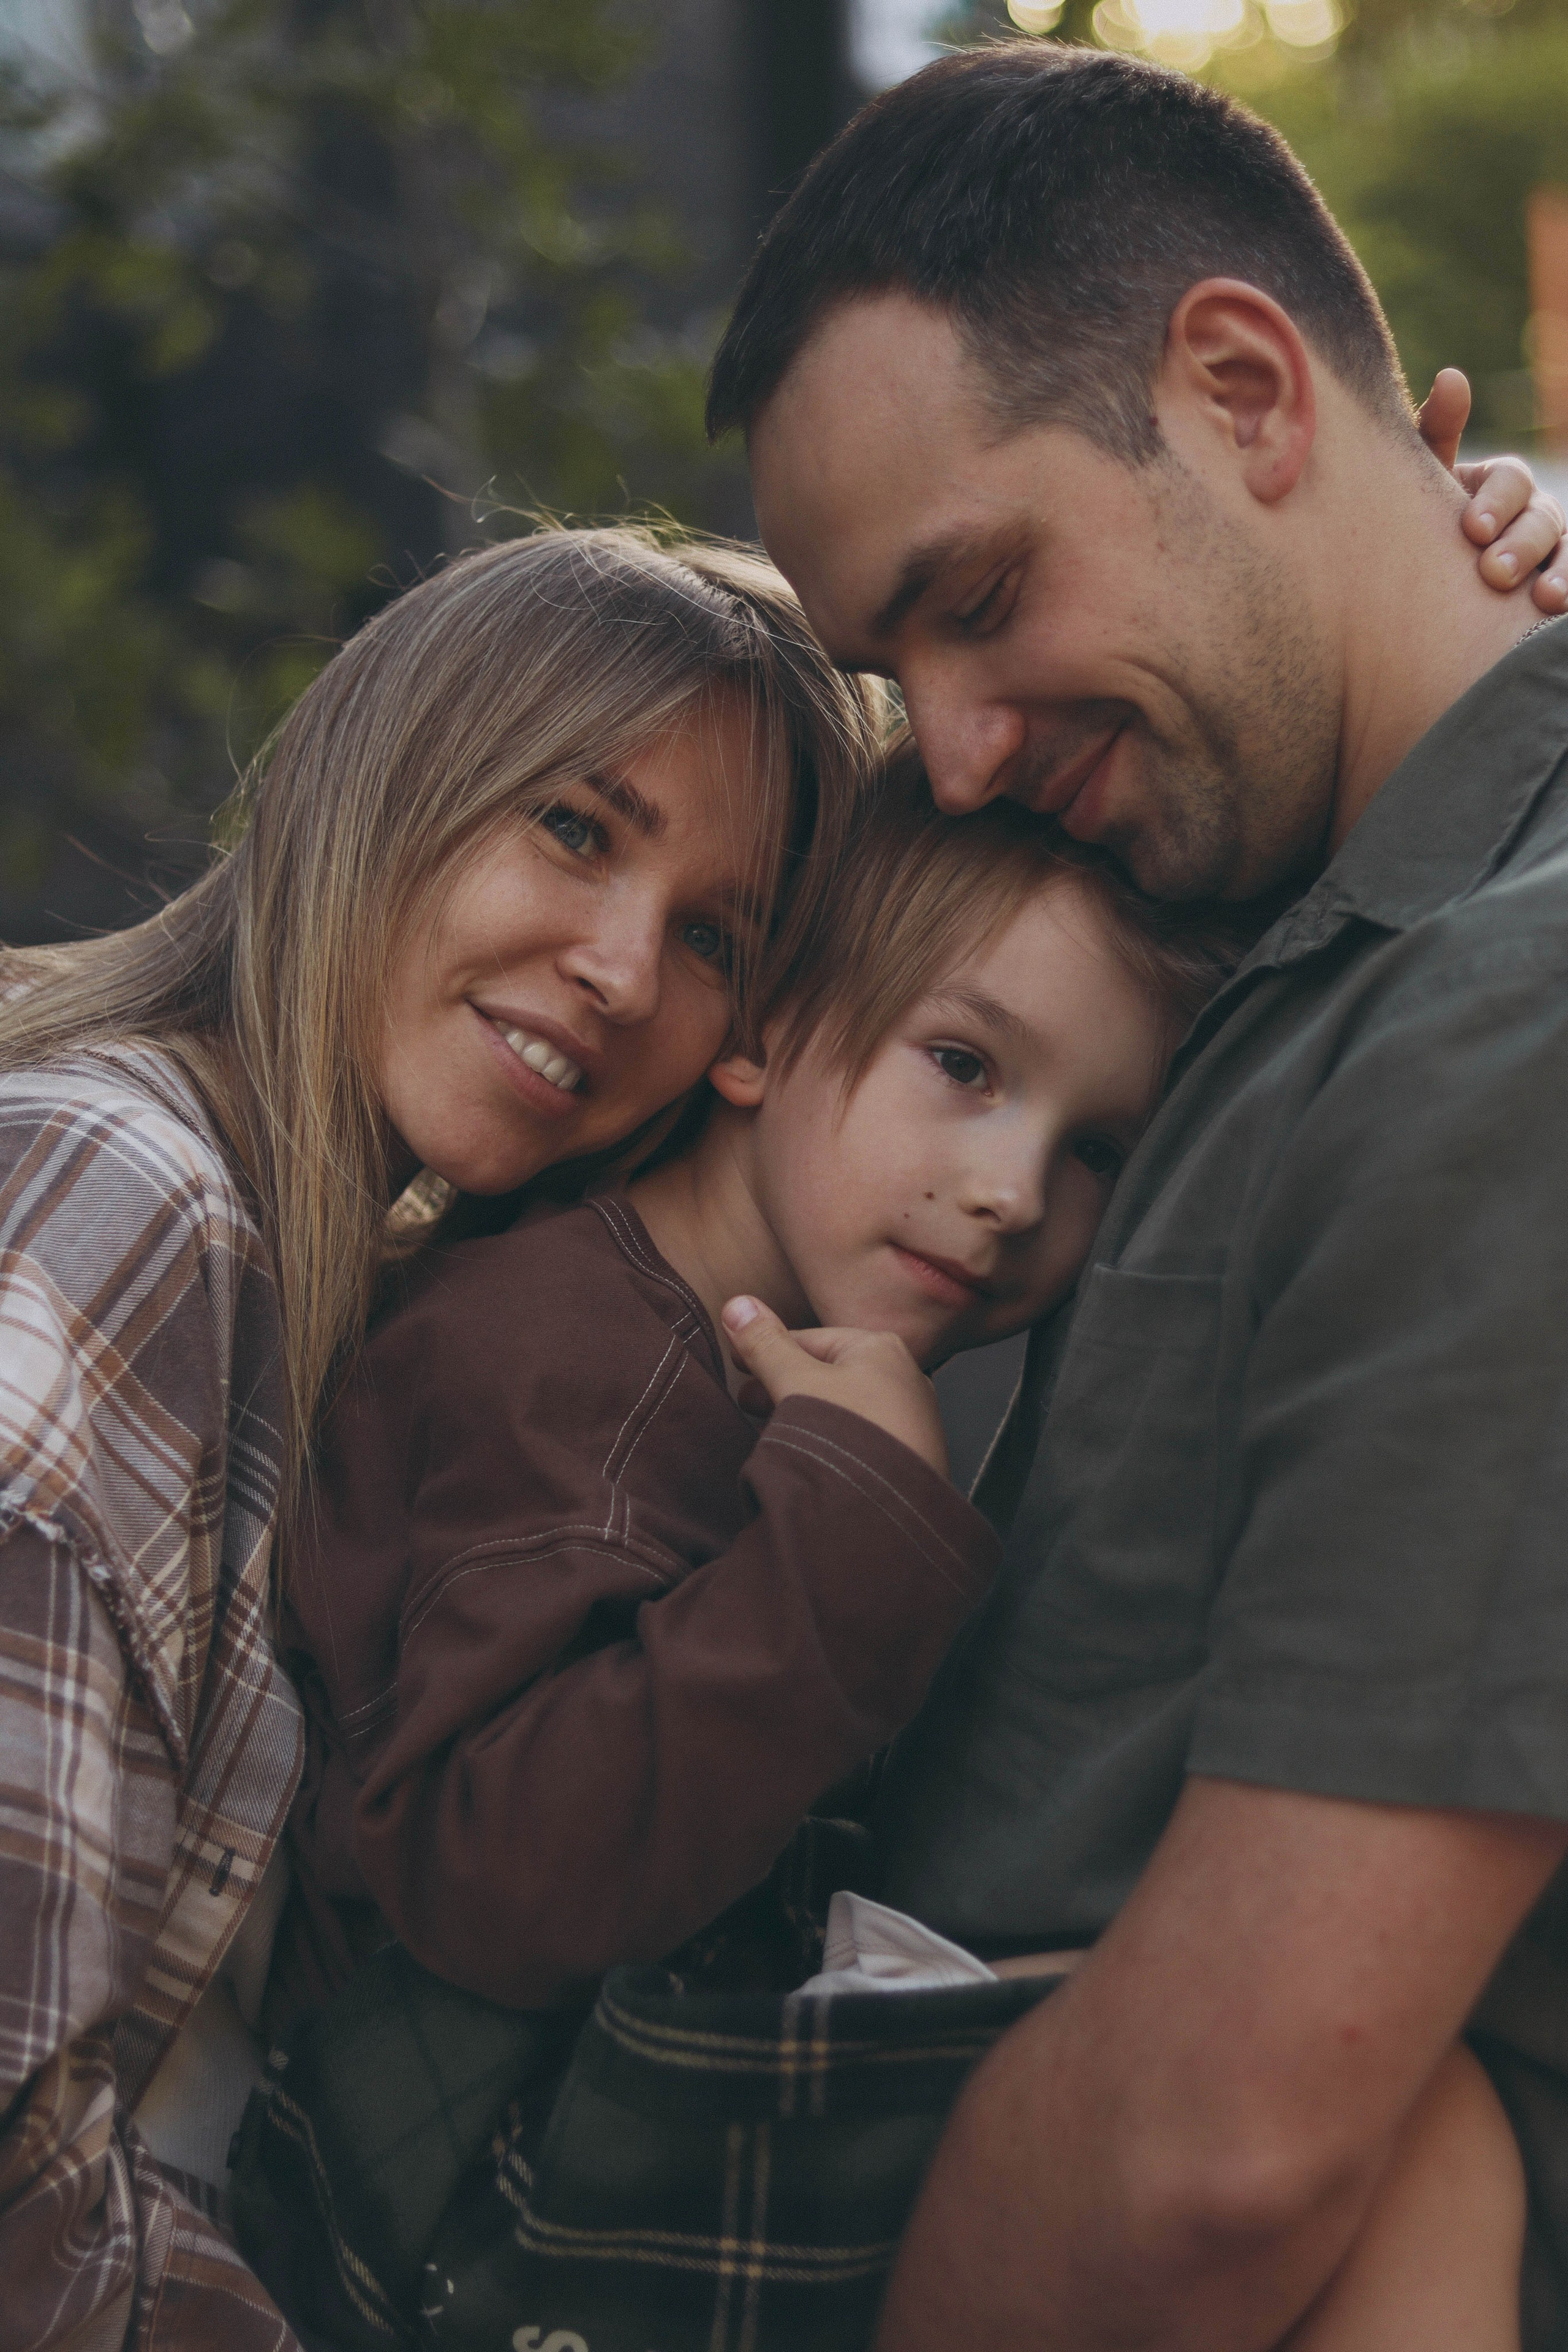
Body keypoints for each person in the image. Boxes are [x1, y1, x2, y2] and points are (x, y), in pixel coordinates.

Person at [703, 40, 1568, 2352]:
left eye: (983, 595)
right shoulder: (1260, 923)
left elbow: (1223, 2152)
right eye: (896, 670)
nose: (957, 750)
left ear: (1243, 391)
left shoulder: (1518, 1009)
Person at [276, 750, 1517, 2352]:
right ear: (763, 1029)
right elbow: (493, 1877)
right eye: (963, 1064)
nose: (1011, 1193)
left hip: (607, 2130)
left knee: (1402, 2123)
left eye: (1096, 1152)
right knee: (1399, 2148)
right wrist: (848, 1531)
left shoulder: (727, 1358)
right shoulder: (559, 1362)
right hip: (458, 2218)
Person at [0, 524, 879, 2350]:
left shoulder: (326, 1301)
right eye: (576, 826)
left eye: (715, 938)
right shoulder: (128, 1196)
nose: (626, 971)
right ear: (386, 766)